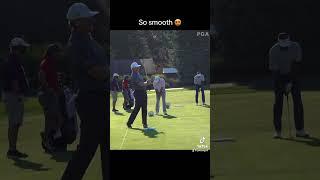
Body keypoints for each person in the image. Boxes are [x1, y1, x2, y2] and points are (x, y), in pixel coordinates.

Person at [61, 3, 108, 180]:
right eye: (88, 18)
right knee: (88, 147)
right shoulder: (77, 44)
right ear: (77, 22)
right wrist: (109, 73)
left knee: (106, 144)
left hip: (99, 97)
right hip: (91, 99)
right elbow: (96, 72)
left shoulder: (89, 40)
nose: (92, 20)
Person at [269, 32, 309, 139]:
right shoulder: (273, 50)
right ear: (278, 42)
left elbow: (296, 67)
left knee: (298, 101)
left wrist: (290, 82)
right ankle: (278, 131)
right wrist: (283, 86)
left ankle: (300, 130)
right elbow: (275, 72)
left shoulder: (296, 47)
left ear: (289, 40)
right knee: (278, 102)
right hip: (279, 77)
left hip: (294, 76)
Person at [2, 37, 30, 158]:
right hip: (13, 95)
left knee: (15, 123)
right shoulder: (12, 61)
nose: (24, 51)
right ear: (17, 49)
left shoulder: (13, 60)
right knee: (14, 122)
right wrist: (18, 94)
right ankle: (12, 150)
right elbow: (14, 80)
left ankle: (13, 149)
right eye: (22, 48)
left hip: (13, 94)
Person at [38, 44, 64, 152]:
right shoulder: (46, 62)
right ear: (52, 52)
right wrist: (48, 88)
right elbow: (41, 75)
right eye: (57, 52)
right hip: (48, 94)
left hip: (53, 94)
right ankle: (47, 139)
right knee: (52, 118)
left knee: (54, 118)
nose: (59, 55)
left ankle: (48, 137)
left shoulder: (52, 63)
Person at [127, 62, 151, 129]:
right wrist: (146, 83)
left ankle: (144, 124)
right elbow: (140, 84)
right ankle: (129, 123)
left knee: (144, 109)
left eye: (138, 67)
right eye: (137, 67)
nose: (138, 68)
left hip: (143, 92)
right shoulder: (134, 75)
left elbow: (142, 83)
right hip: (138, 93)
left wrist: (146, 83)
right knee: (137, 109)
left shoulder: (138, 74)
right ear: (133, 68)